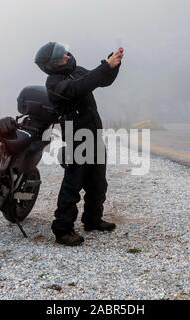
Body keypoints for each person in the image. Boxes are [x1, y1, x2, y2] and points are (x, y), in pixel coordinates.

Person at [34, 42, 124, 246]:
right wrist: (105, 65)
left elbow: (100, 79)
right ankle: (63, 229)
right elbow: (81, 86)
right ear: (53, 63)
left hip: (93, 134)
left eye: (65, 52)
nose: (67, 55)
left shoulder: (77, 71)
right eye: (61, 56)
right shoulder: (54, 83)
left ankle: (92, 220)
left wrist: (112, 65)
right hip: (76, 138)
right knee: (72, 185)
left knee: (98, 182)